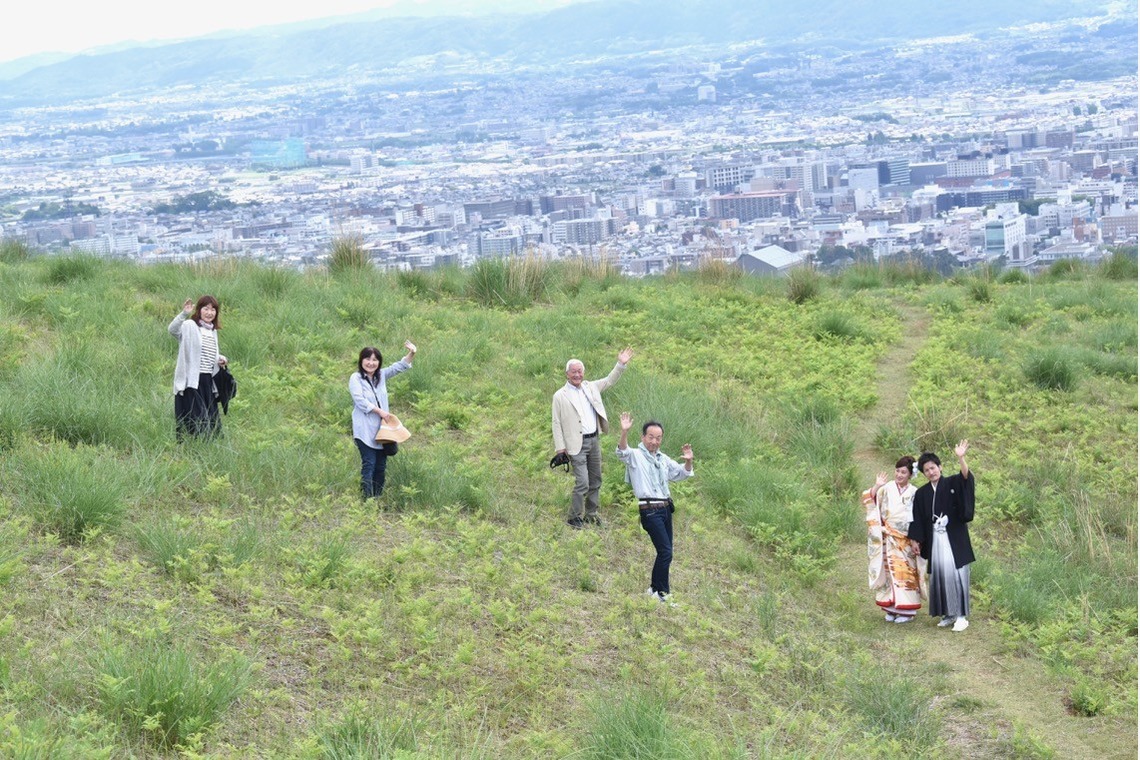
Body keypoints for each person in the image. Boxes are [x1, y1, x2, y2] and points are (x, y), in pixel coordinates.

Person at [616, 412, 693, 604]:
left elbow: (681, 474)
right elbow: (622, 452)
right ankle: (663, 594)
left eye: (658, 438)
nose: (654, 441)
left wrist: (689, 461)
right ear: (643, 437)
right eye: (650, 437)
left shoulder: (662, 459)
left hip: (666, 508)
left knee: (665, 552)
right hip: (650, 509)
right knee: (666, 552)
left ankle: (654, 589)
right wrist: (624, 432)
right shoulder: (635, 455)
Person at [551, 347, 633, 528]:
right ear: (567, 374)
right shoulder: (560, 396)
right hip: (575, 444)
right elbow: (556, 423)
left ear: (584, 373)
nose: (577, 374)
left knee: (596, 480)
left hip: (594, 440)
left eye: (580, 371)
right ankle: (574, 517)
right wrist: (560, 448)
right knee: (582, 482)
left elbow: (610, 380)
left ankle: (591, 514)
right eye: (573, 371)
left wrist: (621, 364)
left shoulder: (591, 387)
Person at [908, 440, 974, 632]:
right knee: (940, 574)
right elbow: (918, 518)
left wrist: (961, 458)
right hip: (936, 539)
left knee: (957, 573)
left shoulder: (952, 482)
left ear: (940, 467)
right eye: (926, 470)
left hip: (953, 537)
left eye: (933, 468)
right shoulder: (922, 494)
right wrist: (915, 539)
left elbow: (966, 478)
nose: (931, 472)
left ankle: (961, 615)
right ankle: (948, 613)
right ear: (924, 473)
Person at [349, 341, 416, 499]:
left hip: (382, 431)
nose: (371, 363)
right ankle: (366, 499)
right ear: (361, 360)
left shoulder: (381, 376)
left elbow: (399, 366)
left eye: (375, 360)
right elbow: (359, 400)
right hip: (364, 430)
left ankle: (377, 498)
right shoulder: (356, 378)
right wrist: (379, 411)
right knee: (369, 463)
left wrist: (412, 353)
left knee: (380, 466)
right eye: (367, 359)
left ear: (379, 362)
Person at [862, 456, 923, 624]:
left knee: (905, 573)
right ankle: (890, 608)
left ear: (910, 474)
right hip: (888, 537)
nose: (899, 475)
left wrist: (916, 538)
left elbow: (918, 517)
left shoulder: (915, 492)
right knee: (889, 572)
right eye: (897, 471)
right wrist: (877, 486)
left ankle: (907, 610)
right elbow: (870, 500)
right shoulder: (887, 488)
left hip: (905, 539)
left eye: (903, 472)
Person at [168, 296, 227, 440]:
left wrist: (221, 359)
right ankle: (192, 445)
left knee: (211, 418)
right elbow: (172, 330)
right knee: (196, 417)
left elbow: (208, 353)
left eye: (213, 310)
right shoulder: (190, 326)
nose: (209, 312)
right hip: (193, 379)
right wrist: (184, 313)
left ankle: (208, 446)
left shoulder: (213, 331)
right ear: (199, 310)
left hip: (208, 380)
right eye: (205, 309)